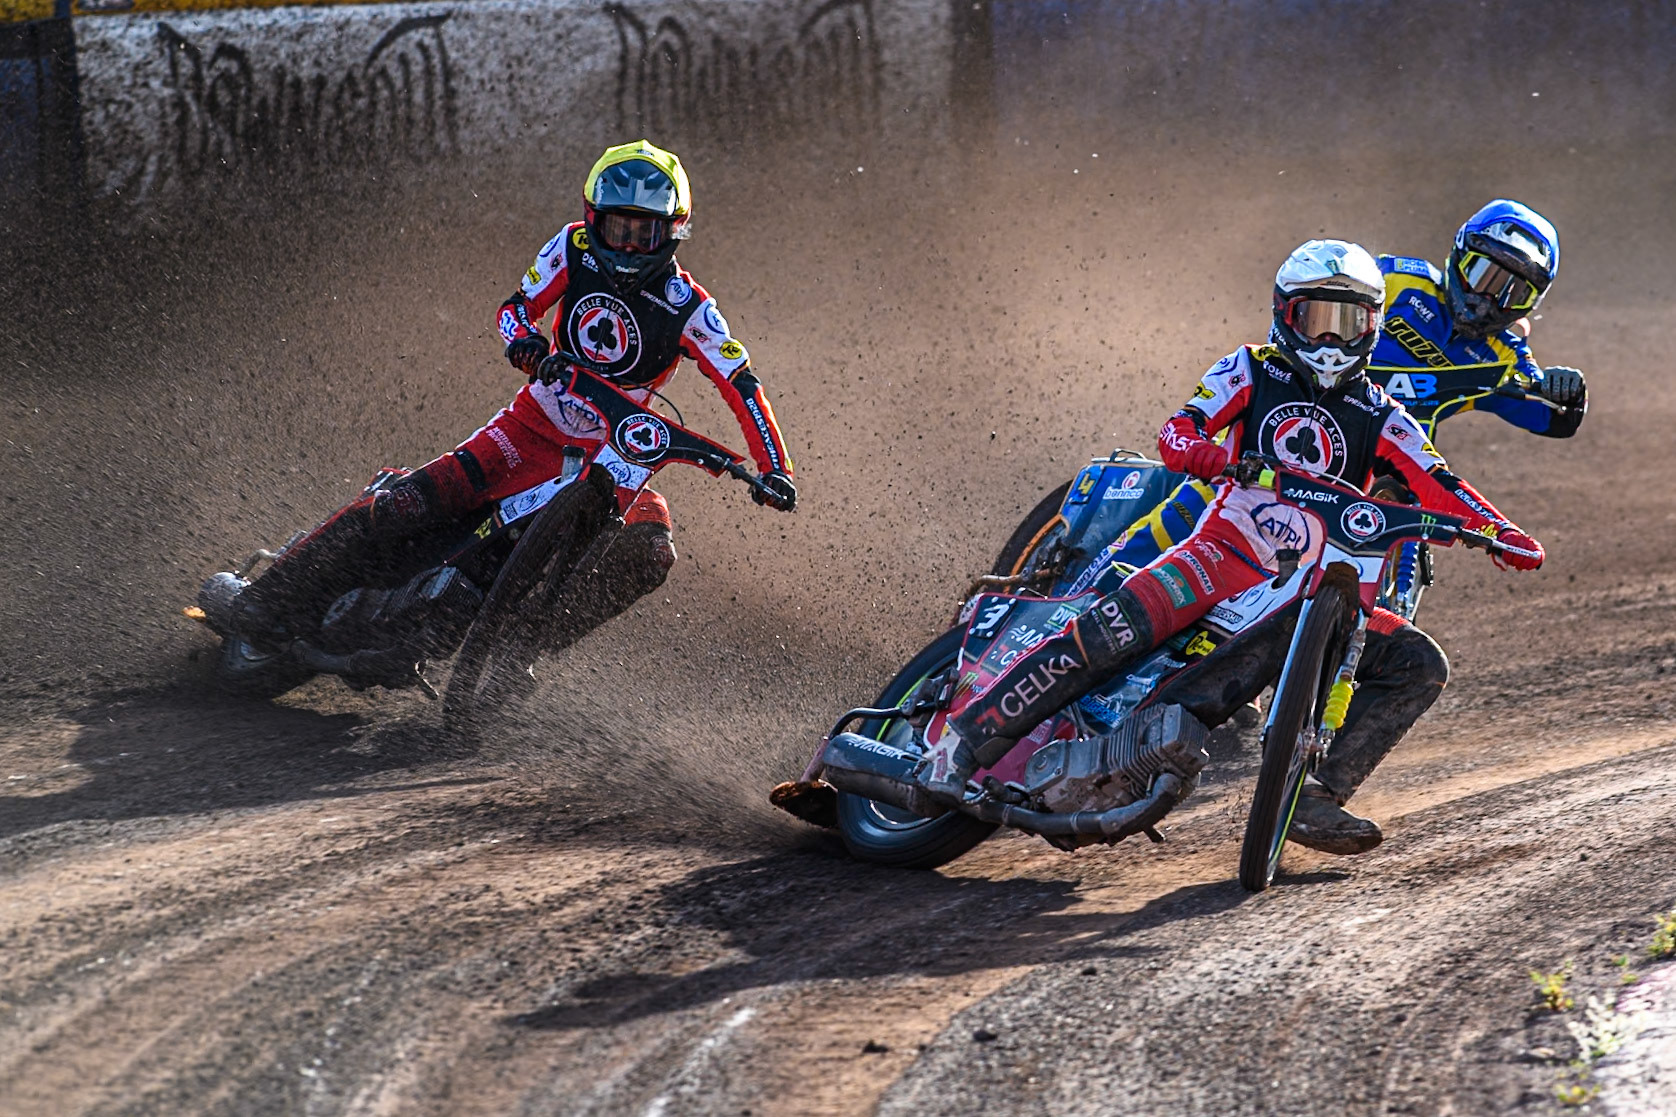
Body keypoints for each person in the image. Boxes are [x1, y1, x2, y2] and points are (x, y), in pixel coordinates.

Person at [918, 240, 1544, 853]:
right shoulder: (1248, 367)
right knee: (1109, 631)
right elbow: (1177, 433)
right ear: (1284, 314)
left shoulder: (1382, 415)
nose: (1330, 339)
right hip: (1222, 550)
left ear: (1371, 328)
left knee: (1420, 663)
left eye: (1347, 322)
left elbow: (1443, 485)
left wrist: (1501, 533)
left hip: (1301, 586)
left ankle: (1314, 794)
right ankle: (961, 745)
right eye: (1315, 319)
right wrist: (1224, 460)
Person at [233, 139, 796, 643]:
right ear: (590, 219)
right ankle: (264, 602)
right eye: (614, 229)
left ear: (673, 231)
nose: (624, 248)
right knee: (408, 504)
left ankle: (522, 649)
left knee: (651, 551)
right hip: (528, 427)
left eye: (641, 232)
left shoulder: (691, 307)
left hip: (616, 455)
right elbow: (515, 309)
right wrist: (522, 341)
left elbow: (741, 383)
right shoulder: (572, 249)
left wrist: (775, 470)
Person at [1089, 198, 1582, 579]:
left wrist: (1566, 394)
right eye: (1483, 273)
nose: (1489, 297)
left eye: (1515, 290)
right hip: (1293, 426)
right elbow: (1307, 308)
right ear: (1458, 255)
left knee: (1400, 550)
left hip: (1382, 472)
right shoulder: (1398, 279)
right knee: (1207, 499)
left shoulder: (1503, 358)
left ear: (1532, 304)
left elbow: (1547, 417)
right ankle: (1093, 582)